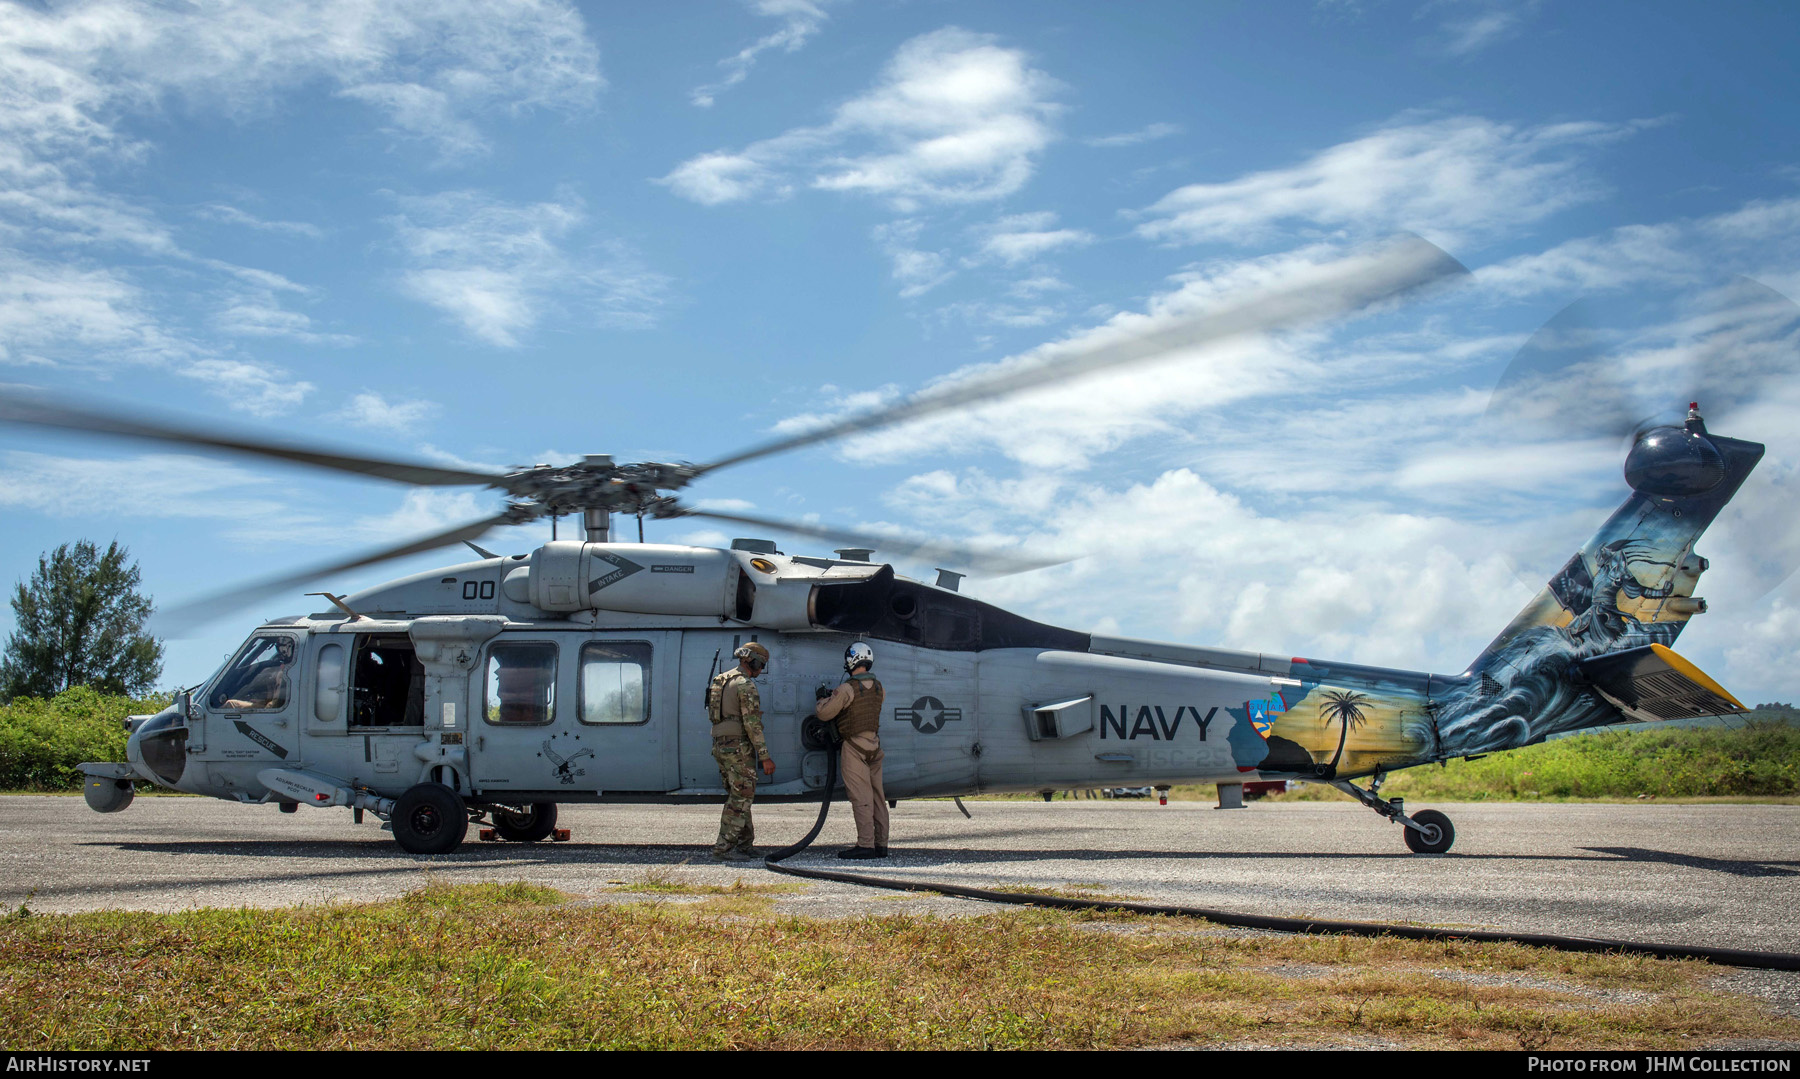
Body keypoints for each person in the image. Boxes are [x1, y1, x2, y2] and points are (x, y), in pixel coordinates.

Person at [815, 641, 887, 859]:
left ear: (851, 661)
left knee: (860, 797)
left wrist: (821, 699)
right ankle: (881, 844)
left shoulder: (847, 688)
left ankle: (865, 845)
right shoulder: (878, 687)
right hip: (874, 746)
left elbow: (825, 714)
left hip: (854, 747)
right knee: (877, 798)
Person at [708, 641, 775, 861]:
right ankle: (723, 848)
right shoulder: (745, 685)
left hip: (721, 745)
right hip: (738, 747)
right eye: (761, 664)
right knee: (741, 797)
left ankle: (745, 844)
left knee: (739, 795)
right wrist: (764, 757)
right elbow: (752, 724)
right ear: (753, 661)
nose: (762, 669)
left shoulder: (721, 679)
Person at [221, 636, 295, 710]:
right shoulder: (288, 671)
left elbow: (277, 703)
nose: (281, 651)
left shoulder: (287, 673)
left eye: (283, 647)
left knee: (229, 704)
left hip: (270, 711)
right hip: (268, 705)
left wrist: (264, 708)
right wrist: (262, 702)